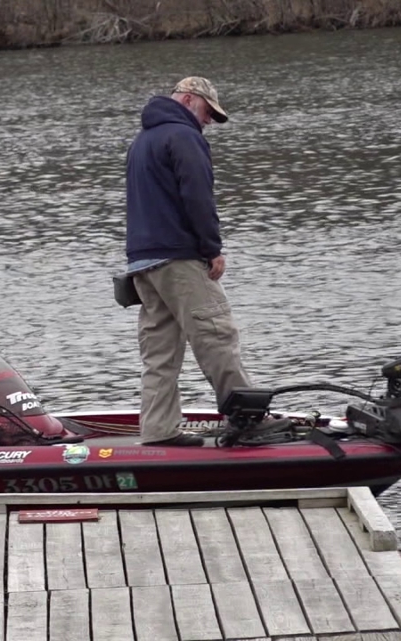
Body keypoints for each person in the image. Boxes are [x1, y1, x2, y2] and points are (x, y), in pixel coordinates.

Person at [123, 76, 248, 447]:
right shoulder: (184, 136)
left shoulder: (141, 141)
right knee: (216, 336)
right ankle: (247, 420)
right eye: (208, 111)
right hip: (180, 259)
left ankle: (159, 431)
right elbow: (198, 197)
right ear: (190, 100)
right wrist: (212, 248)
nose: (209, 120)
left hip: (143, 264)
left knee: (159, 353)